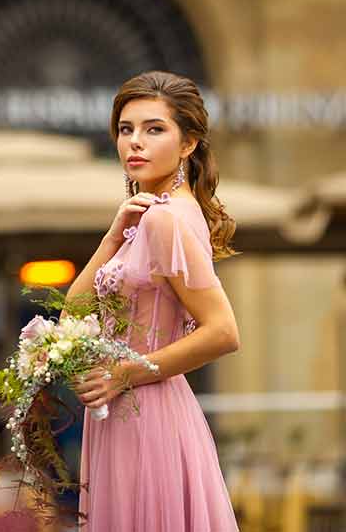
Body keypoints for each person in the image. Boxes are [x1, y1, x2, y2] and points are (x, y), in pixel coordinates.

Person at [67, 70, 241, 531]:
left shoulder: (168, 221)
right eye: (126, 130)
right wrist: (110, 238)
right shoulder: (145, 216)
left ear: (188, 144)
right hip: (120, 413)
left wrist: (123, 374)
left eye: (154, 129)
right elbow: (73, 312)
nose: (134, 143)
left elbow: (223, 332)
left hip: (148, 415)